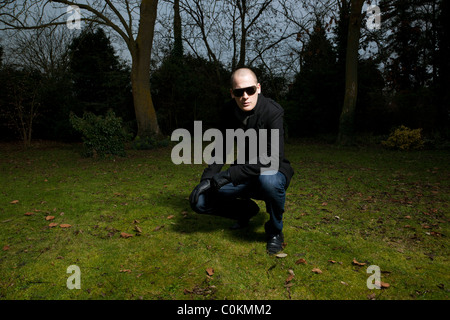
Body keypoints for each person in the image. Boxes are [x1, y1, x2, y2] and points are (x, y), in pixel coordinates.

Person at [189, 67, 294, 254]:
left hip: (271, 170)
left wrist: (229, 175)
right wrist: (206, 180)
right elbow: (221, 149)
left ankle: (275, 232)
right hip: (243, 171)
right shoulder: (228, 111)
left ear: (258, 88)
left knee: (268, 181)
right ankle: (245, 212)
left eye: (250, 90)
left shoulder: (273, 111)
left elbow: (273, 158)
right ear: (232, 93)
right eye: (239, 92)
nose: (245, 96)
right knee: (199, 201)